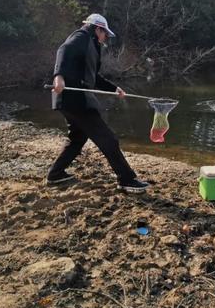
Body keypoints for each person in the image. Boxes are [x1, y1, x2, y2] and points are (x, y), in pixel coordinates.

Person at [48, 13, 149, 193]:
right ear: (97, 29)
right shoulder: (81, 36)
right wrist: (58, 76)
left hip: (70, 101)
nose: (106, 38)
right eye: (105, 34)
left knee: (77, 138)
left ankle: (55, 174)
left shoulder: (91, 46)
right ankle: (127, 179)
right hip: (75, 99)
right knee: (108, 139)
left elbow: (93, 77)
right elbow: (63, 50)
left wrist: (114, 88)